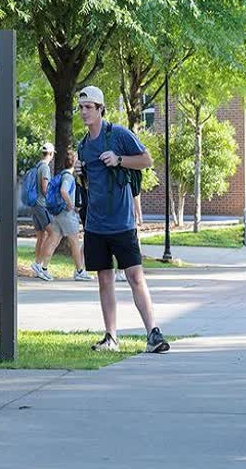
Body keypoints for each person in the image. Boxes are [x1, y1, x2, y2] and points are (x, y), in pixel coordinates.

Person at [74, 85, 170, 353]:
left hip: (122, 222)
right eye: (81, 107)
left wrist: (119, 159)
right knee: (104, 279)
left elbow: (147, 160)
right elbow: (88, 185)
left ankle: (153, 333)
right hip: (95, 224)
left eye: (89, 107)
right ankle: (111, 338)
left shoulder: (118, 134)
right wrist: (78, 172)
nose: (84, 112)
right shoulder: (83, 146)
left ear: (100, 109)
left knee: (135, 276)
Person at [41, 149, 93, 281]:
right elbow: (64, 191)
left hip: (59, 214)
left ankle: (43, 268)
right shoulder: (68, 177)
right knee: (75, 243)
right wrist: (71, 205)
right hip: (66, 214)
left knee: (53, 241)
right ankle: (80, 272)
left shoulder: (63, 174)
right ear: (74, 162)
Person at [31, 143, 56, 281]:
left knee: (41, 236)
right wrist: (53, 200)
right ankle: (38, 265)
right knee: (52, 233)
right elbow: (45, 188)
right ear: (51, 154)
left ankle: (37, 267)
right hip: (41, 205)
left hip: (34, 204)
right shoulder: (45, 167)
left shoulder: (37, 166)